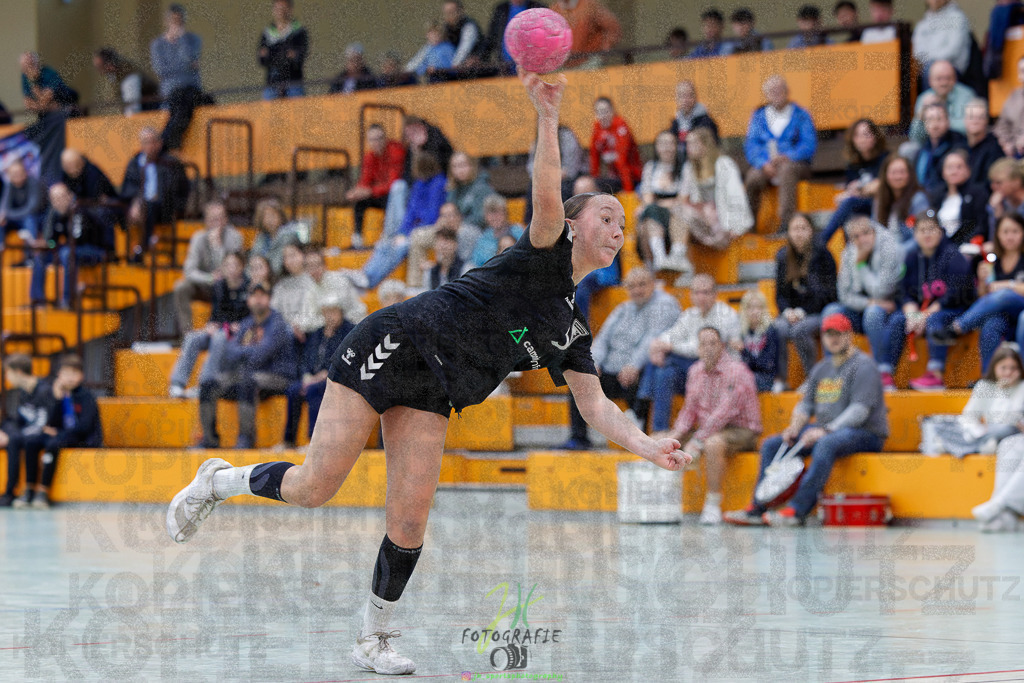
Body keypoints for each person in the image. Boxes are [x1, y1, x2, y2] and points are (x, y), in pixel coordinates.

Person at [166, 70, 690, 677]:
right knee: (315, 487)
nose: (618, 230)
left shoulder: (570, 326)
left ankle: (375, 638)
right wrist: (547, 116)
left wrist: (650, 447)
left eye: (624, 226)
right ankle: (217, 481)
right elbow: (548, 185)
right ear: (571, 226)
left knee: (410, 517)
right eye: (607, 216)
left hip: (434, 391)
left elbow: (597, 408)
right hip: (392, 342)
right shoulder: (540, 254)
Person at [724, 313, 888, 526]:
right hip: (826, 429)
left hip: (866, 432)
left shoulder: (864, 366)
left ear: (850, 336)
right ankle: (757, 506)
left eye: (838, 333)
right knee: (773, 445)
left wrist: (826, 430)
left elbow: (860, 411)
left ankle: (797, 510)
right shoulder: (822, 368)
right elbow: (806, 404)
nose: (833, 339)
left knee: (825, 443)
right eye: (829, 334)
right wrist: (795, 426)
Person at [562, 266, 679, 449]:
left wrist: (633, 365)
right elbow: (602, 339)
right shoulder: (623, 308)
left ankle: (641, 436)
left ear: (653, 284)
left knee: (646, 373)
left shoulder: (665, 304)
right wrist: (595, 363)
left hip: (638, 370)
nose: (637, 290)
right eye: (632, 286)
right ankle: (579, 437)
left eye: (642, 284)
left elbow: (653, 338)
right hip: (612, 369)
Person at [664, 326, 762, 525]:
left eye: (713, 343)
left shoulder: (737, 371)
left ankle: (713, 504)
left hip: (742, 429)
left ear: (722, 346)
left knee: (712, 444)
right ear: (697, 348)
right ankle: (663, 504)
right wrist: (675, 435)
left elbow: (724, 413)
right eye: (703, 344)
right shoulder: (695, 371)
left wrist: (697, 442)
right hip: (709, 427)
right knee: (662, 439)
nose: (708, 348)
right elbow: (689, 410)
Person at [196, 283, 297, 449]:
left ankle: (246, 438)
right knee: (209, 384)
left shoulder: (277, 324)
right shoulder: (246, 324)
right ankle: (210, 440)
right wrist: (248, 350)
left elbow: (261, 355)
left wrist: (243, 351)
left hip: (278, 376)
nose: (258, 300)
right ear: (248, 301)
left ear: (269, 299)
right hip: (249, 374)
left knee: (247, 381)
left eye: (262, 296)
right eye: (254, 296)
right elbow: (229, 353)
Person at [638, 273, 741, 432]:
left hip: (715, 371)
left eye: (705, 292)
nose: (701, 297)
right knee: (664, 373)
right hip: (692, 369)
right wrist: (657, 345)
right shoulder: (690, 314)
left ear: (715, 294)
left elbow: (702, 350)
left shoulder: (726, 315)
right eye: (696, 292)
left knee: (668, 357)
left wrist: (668, 347)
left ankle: (643, 400)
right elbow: (671, 334)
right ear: (691, 294)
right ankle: (660, 431)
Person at [932, 214, 1024, 372]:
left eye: (1015, 231)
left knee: (1004, 295)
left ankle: (957, 327)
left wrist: (1007, 285)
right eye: (1005, 232)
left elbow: (999, 293)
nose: (1010, 237)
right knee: (991, 323)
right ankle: (988, 376)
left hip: (1020, 308)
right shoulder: (993, 260)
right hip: (1003, 314)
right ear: (998, 235)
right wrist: (982, 282)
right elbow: (986, 299)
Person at [822, 217, 907, 390]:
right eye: (856, 236)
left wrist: (861, 264)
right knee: (831, 311)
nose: (862, 239)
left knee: (873, 313)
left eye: (866, 233)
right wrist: (870, 302)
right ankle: (834, 368)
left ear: (874, 232)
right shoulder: (848, 253)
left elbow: (881, 291)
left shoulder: (890, 249)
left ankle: (882, 372)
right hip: (863, 306)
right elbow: (844, 295)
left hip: (892, 308)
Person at [347, 154, 448, 290]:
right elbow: (410, 212)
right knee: (386, 243)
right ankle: (364, 274)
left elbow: (432, 216)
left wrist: (407, 233)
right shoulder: (419, 184)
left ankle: (370, 280)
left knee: (400, 246)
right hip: (412, 228)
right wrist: (402, 232)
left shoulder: (439, 183)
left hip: (427, 228)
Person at [902, 210, 975, 391]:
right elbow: (904, 293)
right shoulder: (911, 258)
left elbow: (955, 294)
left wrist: (924, 315)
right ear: (915, 234)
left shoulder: (953, 256)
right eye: (922, 230)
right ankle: (887, 373)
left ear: (940, 231)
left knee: (936, 320)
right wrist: (912, 315)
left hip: (957, 310)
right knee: (898, 320)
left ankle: (935, 374)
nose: (927, 234)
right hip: (924, 311)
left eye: (931, 229)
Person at [16, 355, 102, 510]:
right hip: (61, 434)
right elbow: (52, 422)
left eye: (74, 373)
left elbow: (85, 426)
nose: (70, 378)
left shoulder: (86, 396)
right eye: (66, 373)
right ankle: (29, 489)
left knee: (53, 443)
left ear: (81, 376)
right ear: (59, 375)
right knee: (31, 442)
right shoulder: (55, 393)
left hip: (82, 438)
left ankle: (43, 492)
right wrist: (56, 398)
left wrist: (59, 433)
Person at [168, 251, 251, 399]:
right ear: (223, 268)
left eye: (235, 265)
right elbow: (216, 313)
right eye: (228, 265)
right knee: (193, 337)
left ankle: (205, 385)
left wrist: (234, 326)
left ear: (242, 267)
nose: (231, 269)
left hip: (237, 332)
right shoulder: (219, 286)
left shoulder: (248, 287)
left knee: (219, 337)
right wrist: (211, 325)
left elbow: (248, 317)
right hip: (220, 327)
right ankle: (177, 383)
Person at [773, 212, 838, 391]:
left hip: (818, 311)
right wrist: (787, 311)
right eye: (795, 229)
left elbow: (829, 293)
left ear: (811, 231)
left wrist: (803, 311)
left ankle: (812, 378)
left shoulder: (822, 255)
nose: (799, 233)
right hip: (792, 313)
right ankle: (781, 379)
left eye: (803, 228)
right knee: (777, 328)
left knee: (800, 330)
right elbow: (780, 295)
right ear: (789, 233)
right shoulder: (783, 257)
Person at [744, 75, 818, 233]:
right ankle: (750, 225)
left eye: (779, 89)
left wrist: (788, 156)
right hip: (766, 164)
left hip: (796, 164)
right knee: (752, 178)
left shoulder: (801, 115)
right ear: (766, 94)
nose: (776, 93)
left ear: (787, 91)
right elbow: (751, 145)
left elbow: (808, 144)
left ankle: (786, 222)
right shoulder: (758, 116)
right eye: (772, 91)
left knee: (786, 170)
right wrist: (763, 163)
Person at [280, 295, 354, 450]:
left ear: (341, 312)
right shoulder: (318, 333)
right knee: (294, 390)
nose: (330, 316)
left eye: (333, 312)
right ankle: (288, 440)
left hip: (338, 379)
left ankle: (314, 442)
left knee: (314, 391)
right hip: (314, 378)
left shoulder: (350, 331)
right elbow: (307, 358)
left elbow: (347, 360)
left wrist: (325, 374)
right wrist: (307, 375)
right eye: (326, 312)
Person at [29, 184, 115, 308]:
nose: (59, 202)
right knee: (41, 256)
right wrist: (47, 245)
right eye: (55, 199)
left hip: (95, 250)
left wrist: (58, 245)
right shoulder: (57, 214)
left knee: (66, 253)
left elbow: (78, 240)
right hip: (71, 250)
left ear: (70, 196)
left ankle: (67, 300)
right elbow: (53, 240)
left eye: (62, 197)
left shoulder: (80, 211)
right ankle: (38, 301)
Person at [674, 126, 754, 251]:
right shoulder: (689, 168)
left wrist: (737, 226)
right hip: (702, 220)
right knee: (677, 210)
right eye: (688, 143)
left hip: (722, 221)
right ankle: (678, 253)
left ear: (705, 144)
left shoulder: (723, 164)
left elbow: (736, 195)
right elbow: (682, 198)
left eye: (694, 143)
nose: (690, 147)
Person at [173, 200, 245, 334]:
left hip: (228, 285)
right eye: (213, 219)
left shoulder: (235, 237)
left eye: (221, 218)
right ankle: (187, 335)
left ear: (226, 219)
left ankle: (228, 331)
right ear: (206, 221)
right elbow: (189, 271)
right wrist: (209, 278)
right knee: (180, 287)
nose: (218, 223)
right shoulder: (198, 238)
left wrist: (217, 248)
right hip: (206, 283)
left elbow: (231, 270)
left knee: (224, 283)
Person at [817, 118, 890, 247]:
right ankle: (852, 257)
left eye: (866, 134)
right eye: (857, 135)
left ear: (875, 136)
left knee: (849, 203)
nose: (862, 139)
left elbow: (881, 185)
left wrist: (860, 190)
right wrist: (854, 192)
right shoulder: (853, 165)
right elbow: (852, 190)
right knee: (849, 218)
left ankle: (821, 242)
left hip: (881, 204)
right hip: (860, 207)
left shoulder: (885, 158)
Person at [120, 126, 190, 261]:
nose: (149, 146)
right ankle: (118, 253)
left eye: (152, 141)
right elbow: (128, 188)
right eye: (145, 142)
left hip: (164, 206)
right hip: (140, 205)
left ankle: (142, 248)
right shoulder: (135, 163)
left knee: (148, 206)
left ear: (159, 143)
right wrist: (137, 201)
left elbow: (178, 189)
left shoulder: (170, 162)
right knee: (118, 210)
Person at [0, 354, 56, 507]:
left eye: (7, 373)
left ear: (18, 372)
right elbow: (19, 422)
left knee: (15, 440)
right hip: (30, 432)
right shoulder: (23, 392)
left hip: (43, 435)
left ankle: (11, 492)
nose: (6, 377)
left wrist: (12, 435)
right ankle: (10, 492)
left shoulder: (45, 390)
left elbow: (46, 424)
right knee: (10, 434)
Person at [150, 4, 204, 149]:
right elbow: (161, 70)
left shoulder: (193, 40)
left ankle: (168, 140)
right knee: (180, 104)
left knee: (195, 101)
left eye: (179, 21)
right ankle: (170, 141)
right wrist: (186, 65)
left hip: (191, 88)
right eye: (174, 21)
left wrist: (181, 41)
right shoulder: (158, 45)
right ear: (167, 21)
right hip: (171, 92)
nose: (176, 24)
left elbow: (190, 59)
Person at [20, 52, 77, 185]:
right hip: (46, 117)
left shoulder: (49, 74)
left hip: (64, 114)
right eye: (23, 67)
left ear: (36, 64)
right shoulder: (25, 77)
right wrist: (43, 105)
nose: (25, 70)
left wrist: (34, 83)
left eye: (28, 65)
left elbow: (44, 100)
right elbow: (28, 104)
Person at [635, 130, 688, 273]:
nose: (667, 148)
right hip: (656, 213)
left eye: (670, 143)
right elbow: (647, 196)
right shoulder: (651, 167)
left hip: (675, 212)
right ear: (656, 147)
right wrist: (651, 206)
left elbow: (682, 198)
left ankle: (676, 256)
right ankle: (658, 260)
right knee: (646, 219)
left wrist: (656, 205)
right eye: (662, 144)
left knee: (675, 212)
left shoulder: (685, 167)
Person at [346, 125, 407, 248]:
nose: (376, 142)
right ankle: (357, 239)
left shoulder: (395, 151)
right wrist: (357, 192)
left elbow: (393, 183)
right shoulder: (370, 157)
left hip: (397, 194)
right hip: (379, 193)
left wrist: (370, 191)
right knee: (360, 201)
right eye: (372, 139)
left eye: (379, 138)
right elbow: (365, 180)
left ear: (385, 138)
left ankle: (390, 236)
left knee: (392, 194)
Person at [406, 202, 482, 289]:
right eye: (443, 216)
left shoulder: (468, 232)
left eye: (450, 215)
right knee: (416, 236)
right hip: (443, 269)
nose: (447, 219)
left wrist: (438, 264)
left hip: (462, 271)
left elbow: (465, 260)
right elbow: (418, 237)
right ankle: (414, 285)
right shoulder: (442, 231)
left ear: (459, 216)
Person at [927, 149, 990, 246]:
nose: (954, 172)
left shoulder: (977, 193)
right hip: (938, 245)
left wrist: (955, 244)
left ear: (968, 170)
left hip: (965, 247)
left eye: (959, 167)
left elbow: (980, 226)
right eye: (949, 167)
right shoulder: (937, 195)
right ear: (943, 172)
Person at [298, 246, 367, 332]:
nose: (314, 270)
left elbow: (349, 313)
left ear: (324, 265)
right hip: (325, 331)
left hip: (351, 326)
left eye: (317, 265)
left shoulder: (340, 281)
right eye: (310, 266)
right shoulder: (309, 288)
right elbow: (308, 320)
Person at [908, 60, 978, 145]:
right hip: (932, 145)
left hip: (959, 144)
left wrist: (937, 124)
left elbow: (970, 127)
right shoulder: (923, 99)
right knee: (908, 149)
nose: (944, 83)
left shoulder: (967, 95)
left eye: (948, 78)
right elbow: (915, 137)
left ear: (955, 79)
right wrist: (921, 113)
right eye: (939, 79)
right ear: (930, 81)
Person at [873, 154, 931, 245]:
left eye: (902, 172)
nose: (898, 177)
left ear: (910, 174)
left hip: (908, 252)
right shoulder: (879, 199)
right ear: (885, 175)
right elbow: (875, 231)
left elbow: (922, 236)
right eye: (893, 172)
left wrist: (899, 253)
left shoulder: (918, 199)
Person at [258, 0, 309, 99]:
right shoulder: (267, 33)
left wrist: (272, 52)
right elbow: (262, 59)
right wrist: (285, 52)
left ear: (290, 10)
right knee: (268, 110)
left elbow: (299, 56)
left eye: (283, 8)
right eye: (277, 8)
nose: (280, 11)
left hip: (294, 81)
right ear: (273, 10)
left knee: (297, 111)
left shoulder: (299, 31)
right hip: (272, 81)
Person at [590, 97, 642, 193]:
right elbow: (594, 157)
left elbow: (622, 160)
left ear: (612, 111)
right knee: (587, 185)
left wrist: (628, 192)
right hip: (613, 177)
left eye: (605, 111)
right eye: (598, 112)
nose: (602, 116)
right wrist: (594, 181)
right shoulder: (597, 128)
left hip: (632, 176)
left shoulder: (621, 125)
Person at [915, 103, 969, 194]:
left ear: (948, 121)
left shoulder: (958, 144)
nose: (935, 125)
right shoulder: (924, 148)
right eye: (930, 120)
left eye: (939, 119)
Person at [912, 0, 972, 80]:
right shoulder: (922, 24)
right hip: (927, 68)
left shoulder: (958, 18)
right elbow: (918, 53)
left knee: (934, 70)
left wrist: (933, 61)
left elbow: (953, 50)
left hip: (953, 68)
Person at [551, 0, 621, 67]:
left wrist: (603, 52)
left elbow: (612, 28)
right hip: (564, 65)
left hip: (589, 62)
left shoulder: (589, 5)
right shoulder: (555, 9)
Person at [481, 1, 545, 72]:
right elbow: (491, 38)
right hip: (504, 69)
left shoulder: (538, 8)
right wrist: (480, 58)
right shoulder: (501, 9)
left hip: (532, 69)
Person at [736, 290, 780, 393]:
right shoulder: (742, 332)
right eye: (750, 307)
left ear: (764, 309)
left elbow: (766, 365)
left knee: (742, 380)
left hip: (766, 378)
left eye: (758, 307)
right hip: (745, 376)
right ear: (744, 310)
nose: (754, 311)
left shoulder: (771, 331)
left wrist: (744, 351)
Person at [92, 47, 160, 115]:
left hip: (152, 109)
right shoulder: (114, 74)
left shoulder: (129, 77)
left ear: (109, 65)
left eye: (99, 67)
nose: (99, 72)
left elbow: (132, 108)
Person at [250, 198, 308, 274]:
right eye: (265, 216)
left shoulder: (289, 236)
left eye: (273, 215)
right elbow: (252, 261)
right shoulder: (260, 238)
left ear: (280, 215)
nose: (269, 219)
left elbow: (277, 266)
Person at [270, 241, 313, 336]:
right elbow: (274, 311)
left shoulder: (312, 281)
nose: (289, 260)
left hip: (307, 331)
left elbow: (310, 313)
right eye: (285, 257)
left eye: (293, 255)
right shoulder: (281, 285)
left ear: (303, 255)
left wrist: (297, 326)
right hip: (283, 332)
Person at [668, 81, 720, 157]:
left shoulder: (706, 122)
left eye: (689, 95)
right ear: (676, 99)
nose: (686, 100)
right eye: (682, 96)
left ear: (695, 97)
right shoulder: (675, 123)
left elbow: (711, 148)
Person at [470, 194, 525, 266]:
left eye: (498, 213)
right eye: (490, 214)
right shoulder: (485, 236)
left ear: (506, 213)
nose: (494, 217)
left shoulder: (517, 231)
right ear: (485, 217)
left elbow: (524, 254)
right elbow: (476, 260)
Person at [446, 152, 493, 229]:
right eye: (455, 166)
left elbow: (481, 218)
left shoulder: (482, 187)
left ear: (472, 166)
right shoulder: (453, 188)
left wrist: (458, 223)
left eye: (463, 165)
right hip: (455, 225)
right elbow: (449, 209)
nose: (459, 170)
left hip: (478, 230)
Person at [965, 99, 1004, 188]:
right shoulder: (959, 145)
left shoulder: (994, 148)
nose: (975, 121)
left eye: (980, 117)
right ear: (965, 120)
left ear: (986, 120)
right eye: (971, 117)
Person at [0, 159, 42, 241]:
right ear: (9, 175)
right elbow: (4, 207)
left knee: (29, 219)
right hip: (14, 218)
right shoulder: (9, 185)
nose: (17, 176)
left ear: (25, 172)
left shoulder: (33, 183)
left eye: (19, 172)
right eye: (14, 174)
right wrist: (5, 215)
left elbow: (32, 208)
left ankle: (32, 249)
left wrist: (9, 214)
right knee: (1, 220)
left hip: (32, 216)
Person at [442, 0, 486, 69]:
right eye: (447, 13)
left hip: (473, 67)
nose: (449, 15)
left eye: (452, 11)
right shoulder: (445, 28)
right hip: (456, 66)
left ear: (461, 11)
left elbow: (464, 48)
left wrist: (454, 64)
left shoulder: (469, 26)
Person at [995, 56, 1024, 159]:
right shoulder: (1014, 97)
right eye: (1022, 71)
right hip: (1015, 153)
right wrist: (1007, 142)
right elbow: (1002, 125)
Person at [989, 159, 1024, 239]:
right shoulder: (999, 203)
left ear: (1016, 181)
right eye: (992, 182)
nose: (993, 186)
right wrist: (998, 212)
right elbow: (995, 241)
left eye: (998, 182)